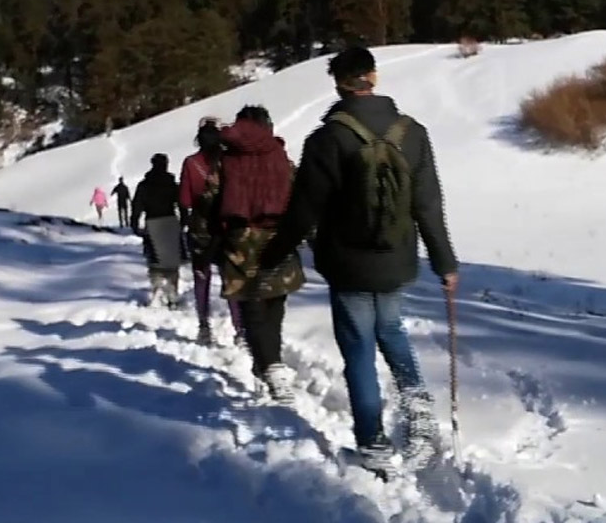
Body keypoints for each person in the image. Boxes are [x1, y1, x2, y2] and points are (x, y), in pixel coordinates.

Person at [259, 45, 459, 471]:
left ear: (338, 83)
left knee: (359, 351)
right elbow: (428, 205)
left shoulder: (327, 138)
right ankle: (418, 409)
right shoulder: (414, 132)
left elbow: (304, 211)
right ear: (374, 77)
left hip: (348, 264)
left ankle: (373, 445)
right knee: (391, 328)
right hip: (398, 259)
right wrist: (445, 262)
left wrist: (273, 255)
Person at [215, 105, 305, 402]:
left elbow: (211, 198)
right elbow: (296, 191)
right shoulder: (279, 154)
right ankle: (272, 363)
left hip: (240, 238)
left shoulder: (227, 157)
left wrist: (206, 238)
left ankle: (268, 366)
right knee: (275, 301)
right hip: (279, 235)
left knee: (252, 305)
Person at [179, 117, 245, 347]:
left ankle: (204, 327)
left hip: (201, 230)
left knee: (202, 279)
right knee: (231, 280)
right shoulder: (229, 161)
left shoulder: (190, 163)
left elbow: (185, 199)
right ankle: (240, 330)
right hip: (227, 229)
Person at [131, 154, 183, 308]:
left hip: (152, 222)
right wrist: (185, 221)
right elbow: (182, 204)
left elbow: (137, 206)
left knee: (154, 259)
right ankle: (172, 293)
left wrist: (134, 223)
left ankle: (156, 290)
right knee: (172, 261)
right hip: (170, 222)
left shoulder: (144, 185)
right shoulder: (171, 184)